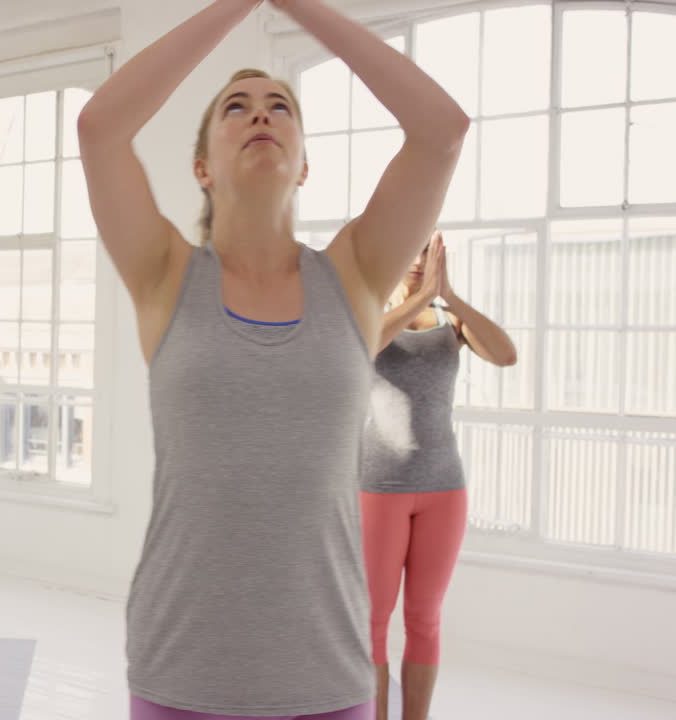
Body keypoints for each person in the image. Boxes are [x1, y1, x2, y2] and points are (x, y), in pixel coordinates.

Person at [77, 0, 470, 716]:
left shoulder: (354, 274)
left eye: (280, 105)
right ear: (201, 166)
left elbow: (441, 132)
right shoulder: (165, 274)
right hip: (181, 671)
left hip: (326, 675)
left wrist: (300, 8)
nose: (261, 114)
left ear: (306, 165)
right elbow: (101, 129)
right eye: (237, 106)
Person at [361, 230, 516, 720]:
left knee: (425, 620)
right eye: (411, 246)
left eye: (427, 249)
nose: (417, 257)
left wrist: (448, 297)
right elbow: (366, 344)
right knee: (373, 622)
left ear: (438, 257)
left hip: (444, 489)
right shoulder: (366, 313)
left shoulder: (452, 324)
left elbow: (506, 354)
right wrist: (421, 296)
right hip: (378, 488)